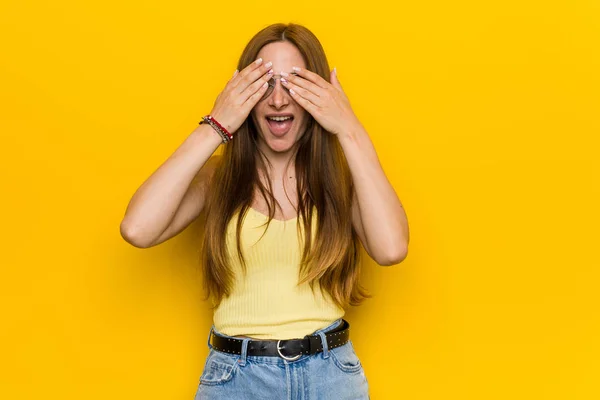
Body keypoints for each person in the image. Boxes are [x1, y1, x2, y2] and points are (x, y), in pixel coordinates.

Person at [120, 22, 409, 399]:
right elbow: (137, 229)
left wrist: (349, 128)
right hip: (236, 379)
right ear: (244, 94)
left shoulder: (342, 180)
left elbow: (391, 249)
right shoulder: (218, 178)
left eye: (294, 83)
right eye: (265, 83)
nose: (278, 101)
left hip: (331, 378)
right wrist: (217, 124)